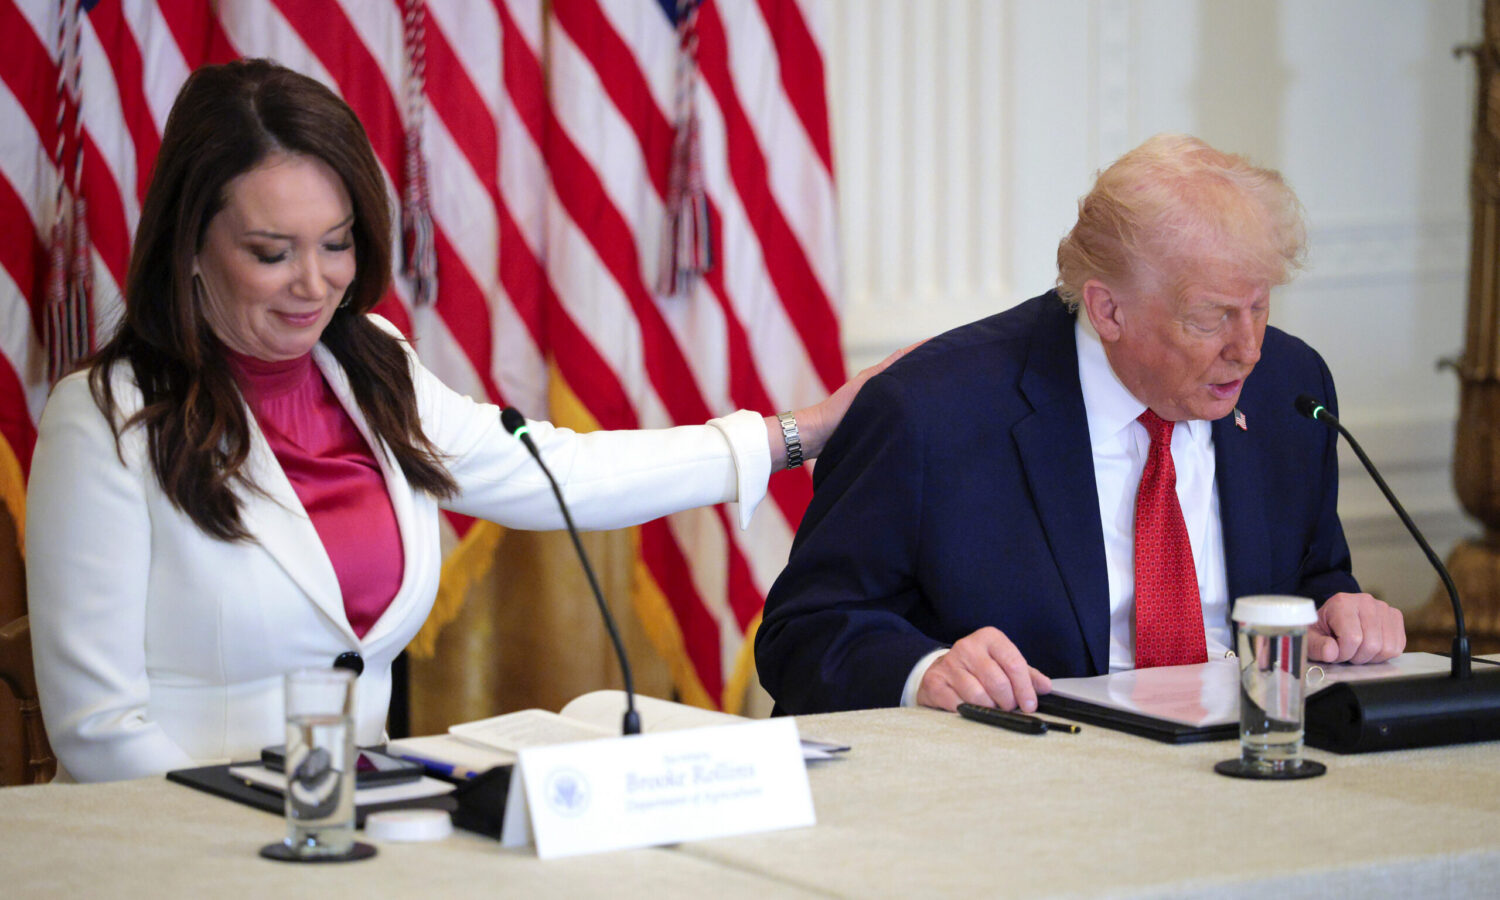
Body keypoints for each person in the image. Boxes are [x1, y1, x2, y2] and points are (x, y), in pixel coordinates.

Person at [27, 59, 899, 782]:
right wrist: (268, 842)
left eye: (337, 243)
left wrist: (799, 433)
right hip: (178, 854)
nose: (314, 284)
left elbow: (562, 473)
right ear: (188, 244)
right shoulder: (103, 423)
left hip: (354, 837)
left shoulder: (371, 364)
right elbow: (97, 728)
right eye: (270, 253)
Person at [755, 134, 1407, 716]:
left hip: (1250, 769)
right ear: (1108, 310)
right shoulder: (934, 411)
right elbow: (804, 633)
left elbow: (1311, 576)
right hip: (1032, 792)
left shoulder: (1291, 389)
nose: (1249, 348)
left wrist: (1341, 613)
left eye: (1259, 307)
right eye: (1211, 318)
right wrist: (925, 673)